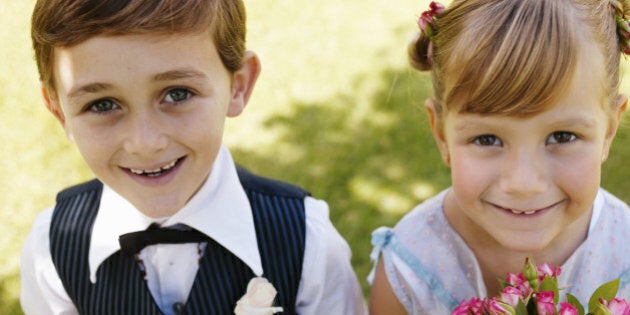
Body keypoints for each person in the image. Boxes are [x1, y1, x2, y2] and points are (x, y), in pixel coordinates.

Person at [20, 0, 367, 314]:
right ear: (60, 112)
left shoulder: (307, 242)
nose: (145, 143)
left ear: (238, 85)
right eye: (102, 104)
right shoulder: (52, 252)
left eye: (177, 93)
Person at [368, 0, 630, 314]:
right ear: (441, 134)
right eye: (487, 139)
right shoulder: (412, 267)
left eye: (562, 136)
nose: (524, 183)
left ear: (609, 131)